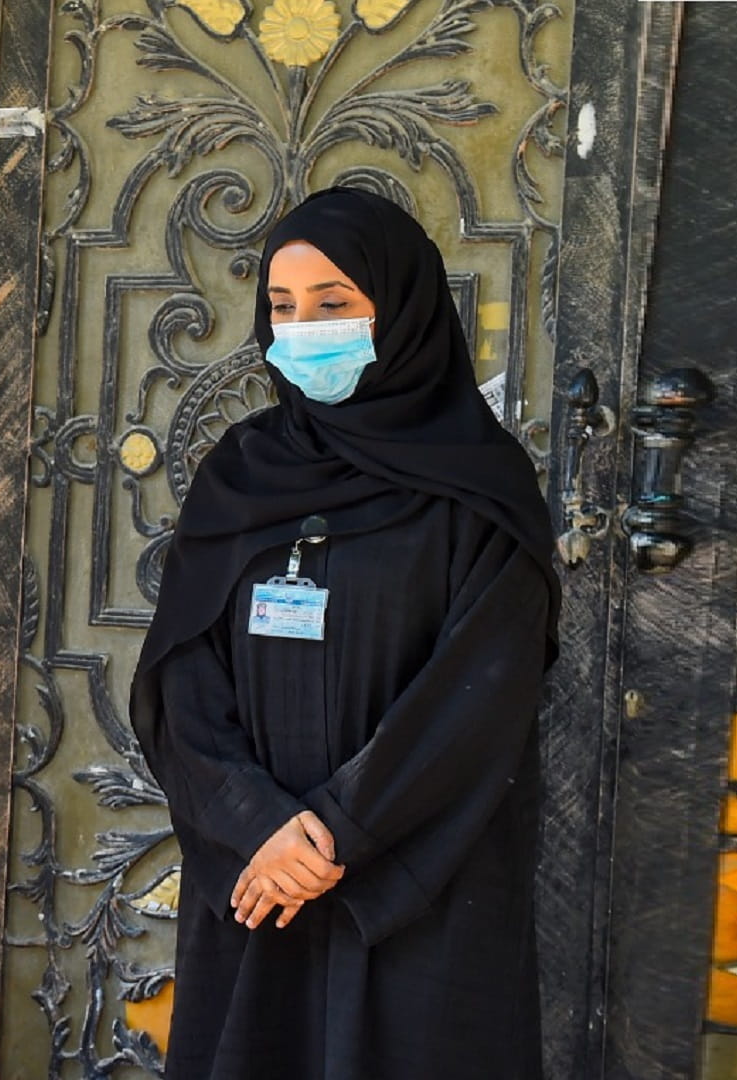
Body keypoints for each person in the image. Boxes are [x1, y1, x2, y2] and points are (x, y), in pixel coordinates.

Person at [129, 188, 561, 1079]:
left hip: (419, 874)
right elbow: (182, 672)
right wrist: (257, 823)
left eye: (333, 305)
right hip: (259, 871)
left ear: (399, 310)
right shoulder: (242, 472)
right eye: (283, 309)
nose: (303, 330)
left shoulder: (479, 486)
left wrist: (329, 837)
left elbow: (480, 696)